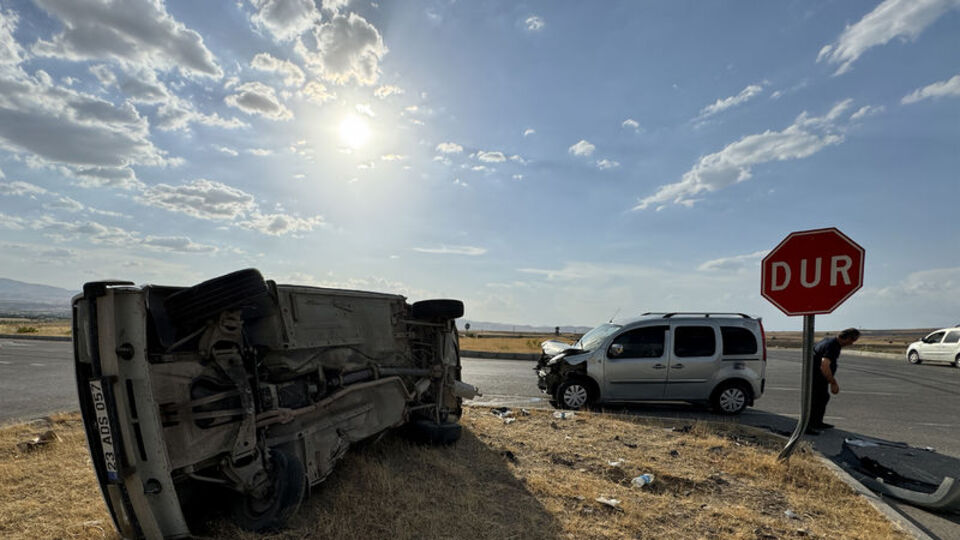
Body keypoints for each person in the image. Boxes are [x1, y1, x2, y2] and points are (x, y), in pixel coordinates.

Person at [807, 328, 860, 435]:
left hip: (815, 376)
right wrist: (833, 382)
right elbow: (824, 365)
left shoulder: (828, 341)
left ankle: (817, 422)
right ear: (848, 338)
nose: (851, 344)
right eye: (852, 341)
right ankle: (808, 426)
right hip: (817, 378)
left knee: (822, 398)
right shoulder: (833, 346)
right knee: (815, 401)